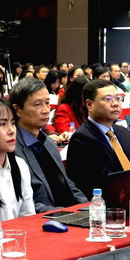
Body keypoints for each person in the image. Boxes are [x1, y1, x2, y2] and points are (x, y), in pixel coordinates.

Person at [66, 80, 130, 198]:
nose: (115, 103)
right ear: (89, 105)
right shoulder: (82, 138)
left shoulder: (123, 133)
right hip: (110, 205)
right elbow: (100, 183)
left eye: (118, 98)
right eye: (108, 99)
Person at [10, 78, 86, 212]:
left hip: (70, 213)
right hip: (45, 218)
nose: (46, 110)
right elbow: (23, 203)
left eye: (47, 103)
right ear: (17, 109)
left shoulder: (49, 143)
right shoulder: (11, 148)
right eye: (37, 105)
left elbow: (67, 185)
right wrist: (63, 214)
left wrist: (87, 206)